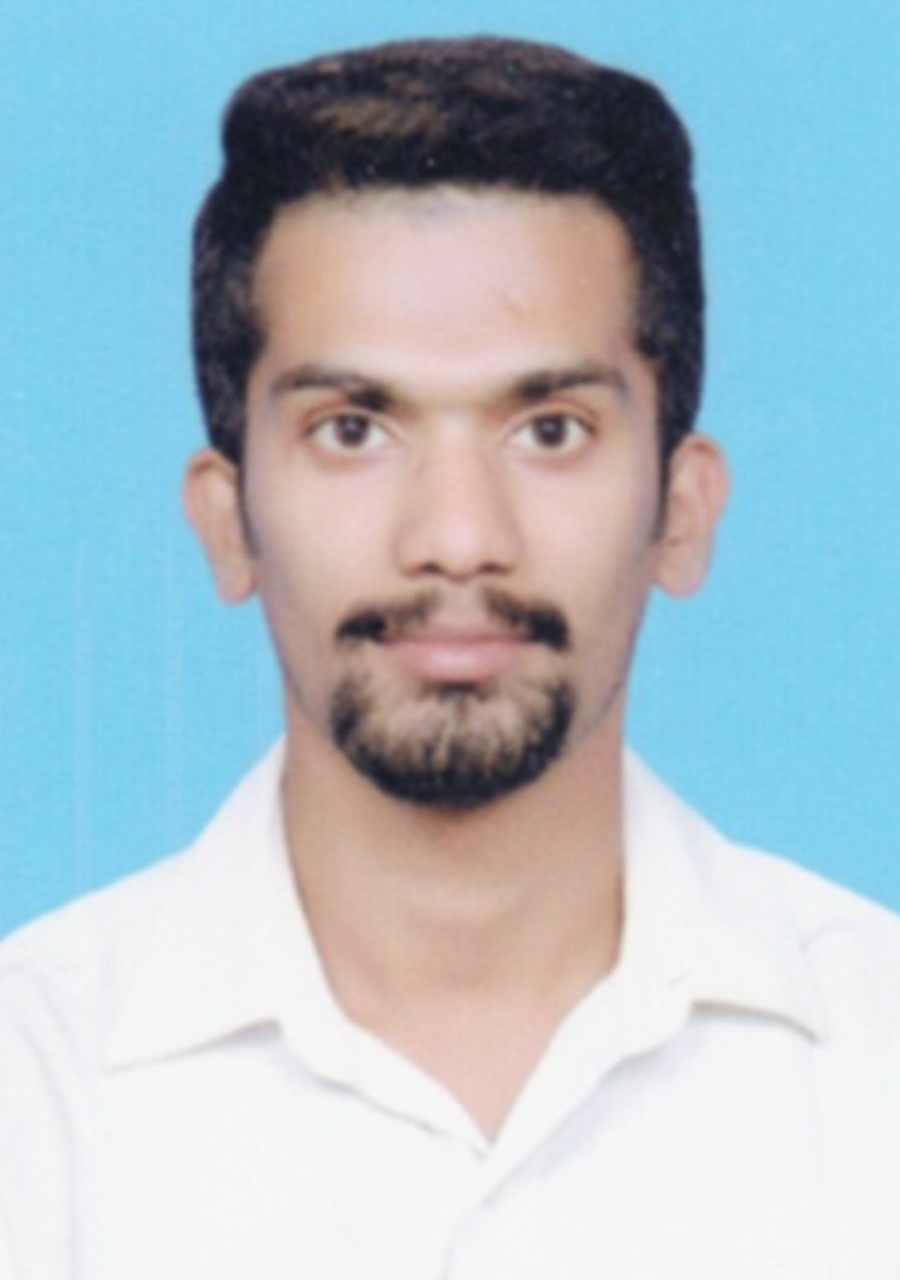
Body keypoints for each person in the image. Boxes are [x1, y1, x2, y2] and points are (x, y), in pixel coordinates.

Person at [1, 34, 898, 1280]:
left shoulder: (875, 1065)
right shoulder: (34, 1087)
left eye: (550, 428)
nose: (460, 535)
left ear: (683, 511)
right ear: (227, 518)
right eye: (354, 429)